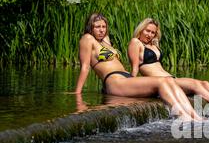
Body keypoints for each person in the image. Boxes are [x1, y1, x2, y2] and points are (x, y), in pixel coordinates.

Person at [73, 13, 202, 121]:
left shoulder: (105, 40)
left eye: (104, 26)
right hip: (114, 80)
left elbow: (106, 36)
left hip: (125, 78)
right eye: (97, 27)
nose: (101, 30)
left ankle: (195, 117)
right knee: (162, 81)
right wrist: (77, 94)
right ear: (90, 27)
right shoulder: (87, 38)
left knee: (168, 80)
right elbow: (85, 67)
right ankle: (184, 116)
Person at [127, 18, 209, 116]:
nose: (150, 35)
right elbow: (135, 68)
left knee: (204, 83)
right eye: (147, 31)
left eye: (153, 33)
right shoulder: (135, 42)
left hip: (170, 78)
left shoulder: (152, 45)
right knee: (194, 84)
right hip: (163, 84)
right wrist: (131, 86)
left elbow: (158, 67)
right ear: (141, 29)